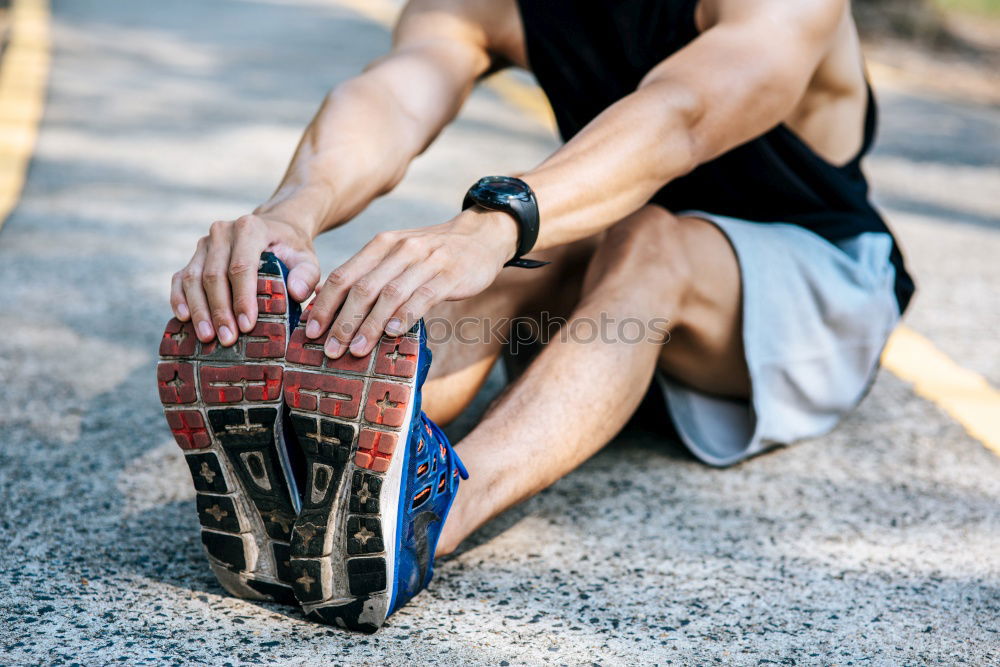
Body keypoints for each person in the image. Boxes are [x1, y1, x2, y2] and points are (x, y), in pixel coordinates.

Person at [158, 0, 913, 632]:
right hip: (613, 293)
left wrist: (492, 225)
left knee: (606, 236)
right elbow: (392, 94)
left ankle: (424, 522)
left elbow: (682, 116)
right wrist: (292, 213)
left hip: (813, 286)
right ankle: (309, 463)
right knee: (491, 260)